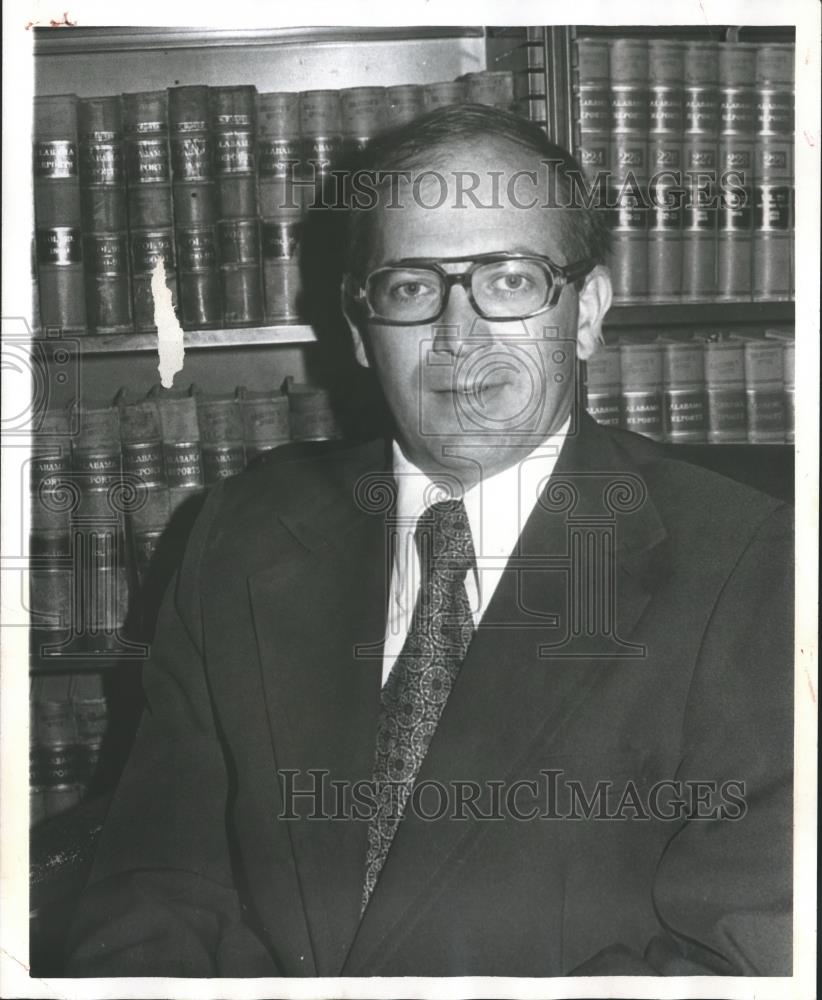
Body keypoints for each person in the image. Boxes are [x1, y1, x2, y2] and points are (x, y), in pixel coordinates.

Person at [66, 105, 793, 978]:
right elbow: (157, 884)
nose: (459, 337)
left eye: (512, 280)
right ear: (361, 331)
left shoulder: (755, 569)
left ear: (589, 311)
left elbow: (743, 958)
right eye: (412, 286)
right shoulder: (241, 535)